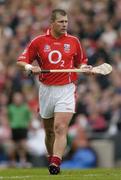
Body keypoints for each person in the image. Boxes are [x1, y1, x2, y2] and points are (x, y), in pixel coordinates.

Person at [17, 9, 93, 175]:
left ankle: (56, 162)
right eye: (61, 22)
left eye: (66, 21)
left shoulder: (74, 41)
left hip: (66, 89)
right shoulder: (38, 41)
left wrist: (85, 68)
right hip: (46, 90)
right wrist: (30, 67)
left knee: (60, 127)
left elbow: (81, 63)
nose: (65, 24)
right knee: (50, 131)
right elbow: (21, 61)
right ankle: (52, 157)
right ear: (52, 23)